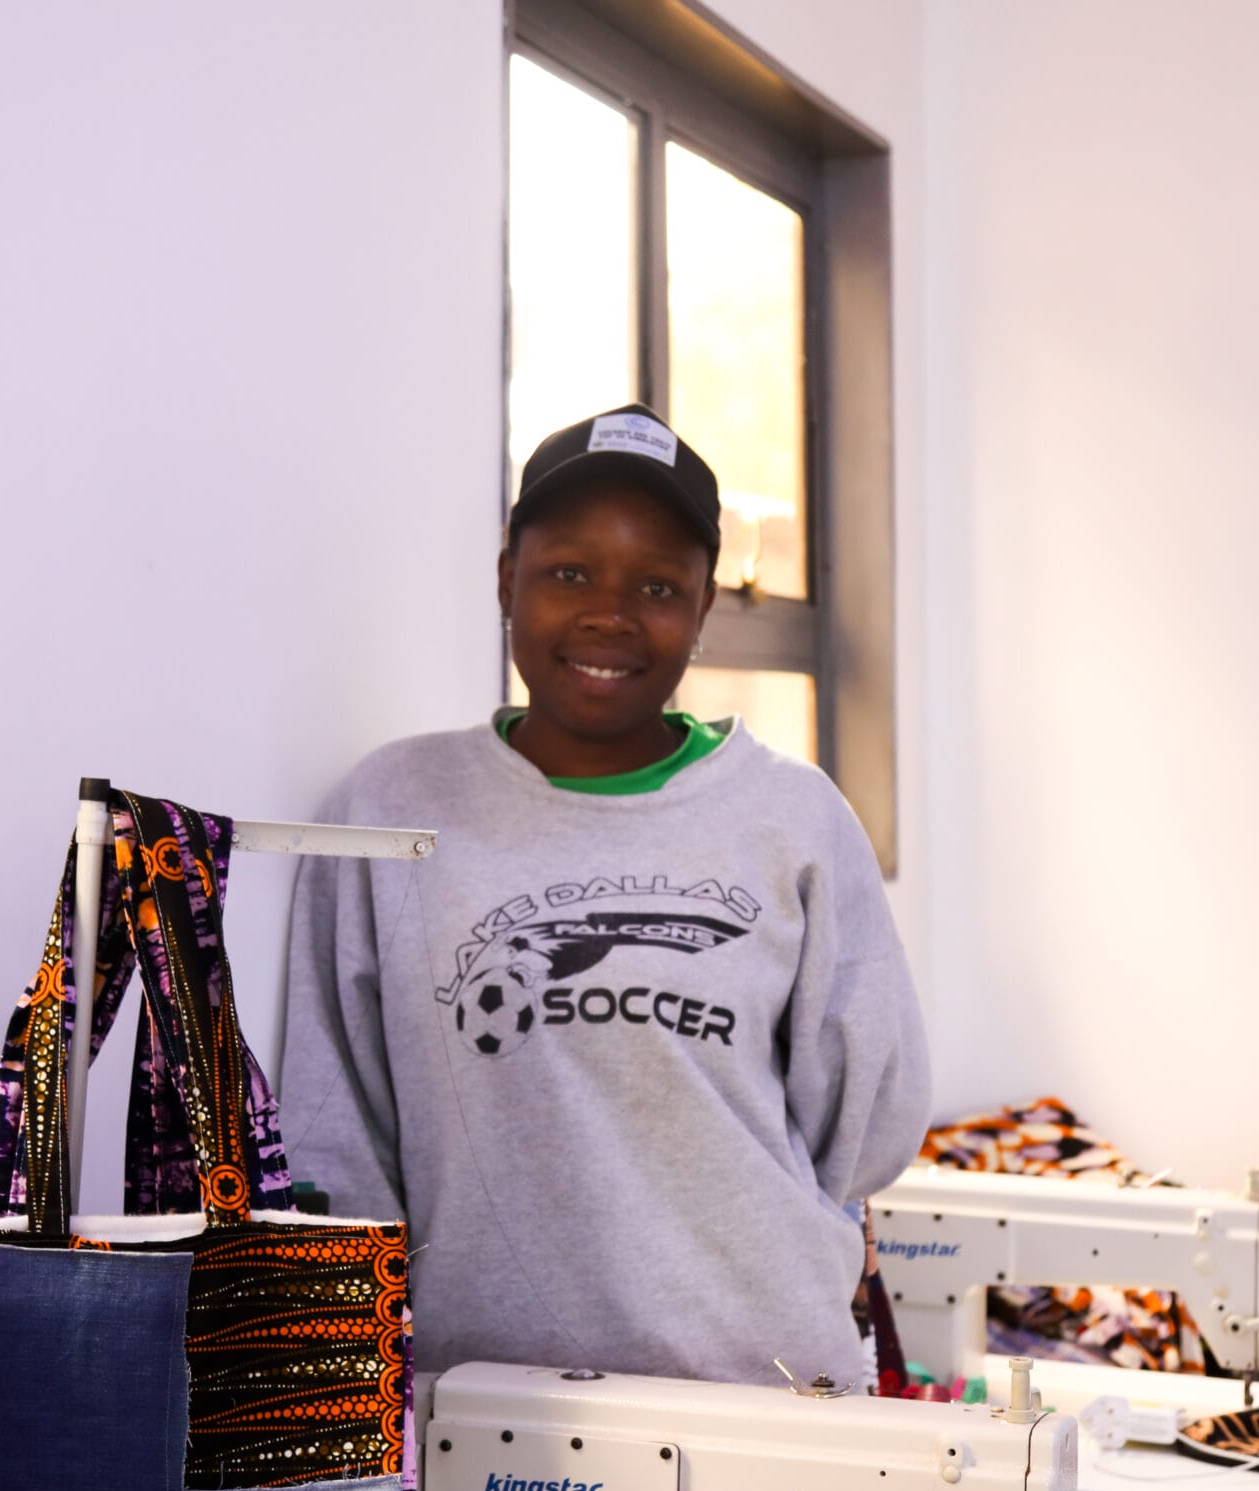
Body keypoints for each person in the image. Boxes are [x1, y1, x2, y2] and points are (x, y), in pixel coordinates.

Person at [281, 402, 931, 1418]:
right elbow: (336, 1136)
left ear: (704, 605)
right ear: (506, 579)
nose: (608, 614)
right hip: (486, 1418)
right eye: (569, 573)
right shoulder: (390, 812)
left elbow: (863, 1118)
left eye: (658, 586)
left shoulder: (792, 818)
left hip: (768, 1405)